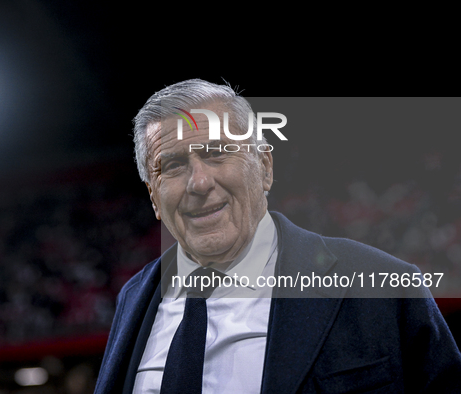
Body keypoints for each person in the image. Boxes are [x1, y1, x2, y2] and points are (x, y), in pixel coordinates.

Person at [94, 79, 461, 393]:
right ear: (154, 196)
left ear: (264, 167)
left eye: (218, 153)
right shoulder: (134, 298)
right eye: (173, 165)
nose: (200, 182)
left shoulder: (384, 287)